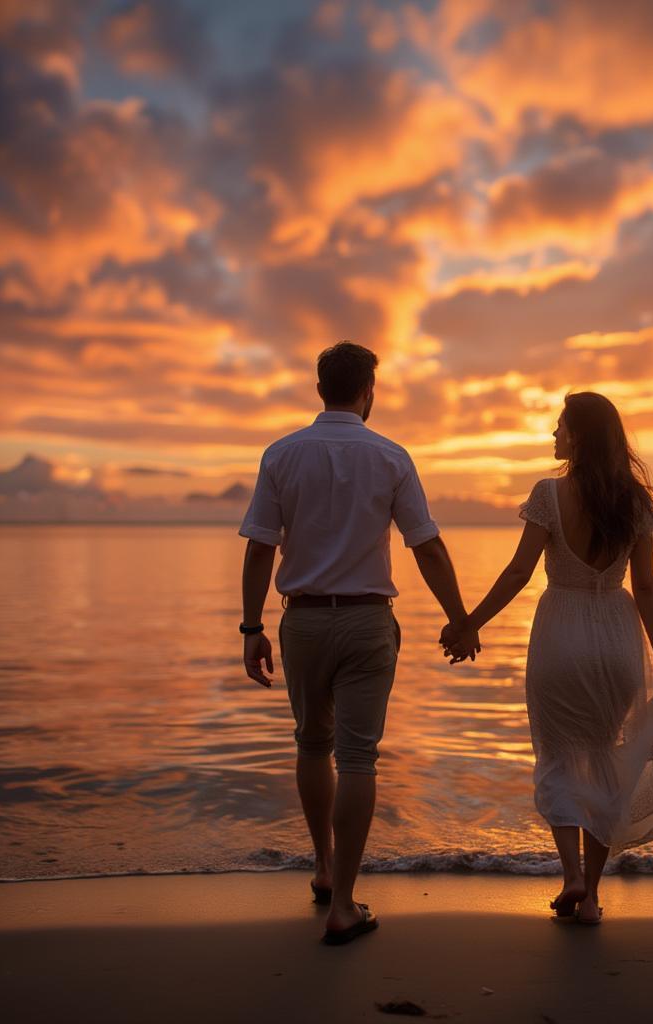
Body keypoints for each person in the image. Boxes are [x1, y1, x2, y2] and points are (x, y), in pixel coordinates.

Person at [441, 392, 653, 925]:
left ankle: (571, 875)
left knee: (556, 757)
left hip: (560, 636)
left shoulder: (549, 494)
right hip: (617, 641)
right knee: (604, 760)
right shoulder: (636, 503)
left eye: (560, 427)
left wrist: (469, 624)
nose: (553, 436)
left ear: (578, 436)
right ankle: (593, 895)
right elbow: (644, 585)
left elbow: (517, 573)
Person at [239, 340, 477, 946]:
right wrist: (460, 619)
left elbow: (261, 546)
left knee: (312, 743)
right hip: (369, 621)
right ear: (368, 391)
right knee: (359, 758)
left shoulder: (281, 454)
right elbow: (426, 544)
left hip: (305, 621)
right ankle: (343, 902)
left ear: (321, 389)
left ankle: (323, 867)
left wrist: (251, 628)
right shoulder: (391, 457)